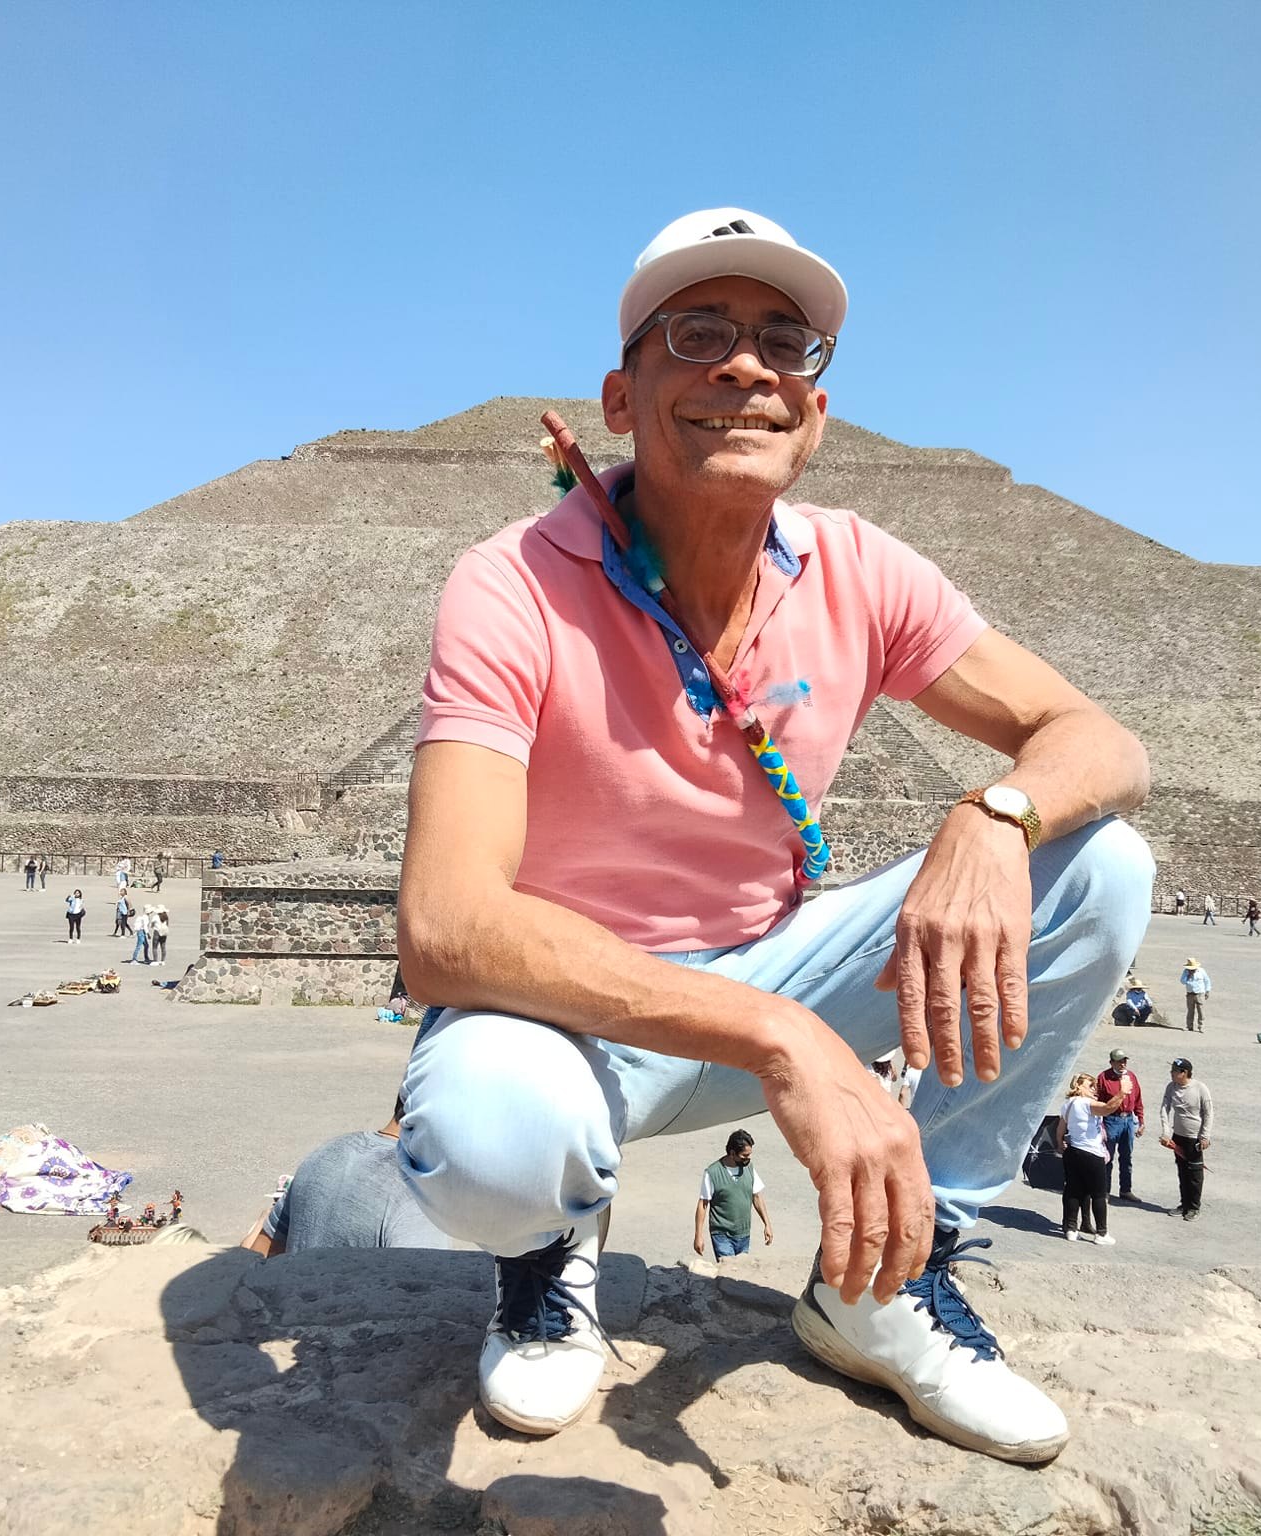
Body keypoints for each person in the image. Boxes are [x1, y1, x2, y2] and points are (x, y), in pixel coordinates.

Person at [392, 208, 1153, 1463]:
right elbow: (444, 928)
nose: (746, 366)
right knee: (488, 1143)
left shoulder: (858, 569)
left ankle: (888, 1282)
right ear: (619, 399)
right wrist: (780, 1036)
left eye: (783, 343)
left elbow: (1100, 743)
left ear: (814, 413)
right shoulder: (511, 581)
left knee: (1098, 867)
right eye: (697, 334)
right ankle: (546, 1258)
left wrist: (993, 815)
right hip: (569, 1012)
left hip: (776, 959)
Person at [240, 1095, 450, 1258]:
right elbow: (423, 1292)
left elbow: (260, 1257)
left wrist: (263, 1221)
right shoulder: (418, 1194)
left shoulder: (324, 1154)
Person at [1059, 1073, 1123, 1245]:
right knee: (1099, 1194)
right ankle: (1101, 1233)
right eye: (1090, 1086)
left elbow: (1060, 1128)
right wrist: (1122, 1092)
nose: (1094, 1089)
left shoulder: (1068, 1104)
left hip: (1073, 1151)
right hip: (1091, 1153)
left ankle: (1071, 1229)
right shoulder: (1085, 1103)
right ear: (1079, 1087)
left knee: (1073, 1190)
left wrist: (1060, 1143)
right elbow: (1108, 1108)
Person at [695, 1129, 774, 1260]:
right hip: (721, 1234)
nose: (747, 1159)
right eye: (744, 1156)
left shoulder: (749, 1168)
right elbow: (703, 1204)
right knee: (729, 1269)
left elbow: (757, 1197)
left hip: (743, 1233)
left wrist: (767, 1224)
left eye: (749, 1155)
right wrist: (698, 1235)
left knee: (740, 1270)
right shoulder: (712, 1172)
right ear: (732, 1153)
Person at [1159, 1058, 1212, 1220]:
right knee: (1182, 1171)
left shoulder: (1200, 1088)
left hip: (1194, 1138)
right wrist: (1166, 1133)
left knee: (1194, 1174)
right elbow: (1164, 1109)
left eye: (1175, 1071)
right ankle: (1184, 1204)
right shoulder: (1171, 1087)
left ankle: (1194, 1207)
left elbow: (1208, 1113)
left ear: (1184, 1073)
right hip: (1178, 1136)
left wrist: (1205, 1136)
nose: (1171, 1073)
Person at [1094, 1048, 1145, 1201]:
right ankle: (1104, 1191)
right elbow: (1098, 1102)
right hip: (1111, 1120)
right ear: (1111, 1062)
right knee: (1107, 1157)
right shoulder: (1103, 1078)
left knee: (1126, 1157)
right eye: (1119, 1061)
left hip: (1128, 1120)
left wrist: (1141, 1121)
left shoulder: (1131, 1077)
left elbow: (1138, 1100)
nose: (1123, 1064)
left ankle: (1125, 1190)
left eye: (1124, 1061)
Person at [1179, 958, 1210, 1032]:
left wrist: (1207, 991)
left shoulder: (1201, 971)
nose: (1192, 970)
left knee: (1201, 1011)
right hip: (1190, 994)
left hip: (1200, 994)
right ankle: (1189, 1026)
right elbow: (1182, 981)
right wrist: (1188, 975)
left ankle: (1201, 1026)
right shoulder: (1186, 972)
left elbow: (1207, 980)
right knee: (1190, 1011)